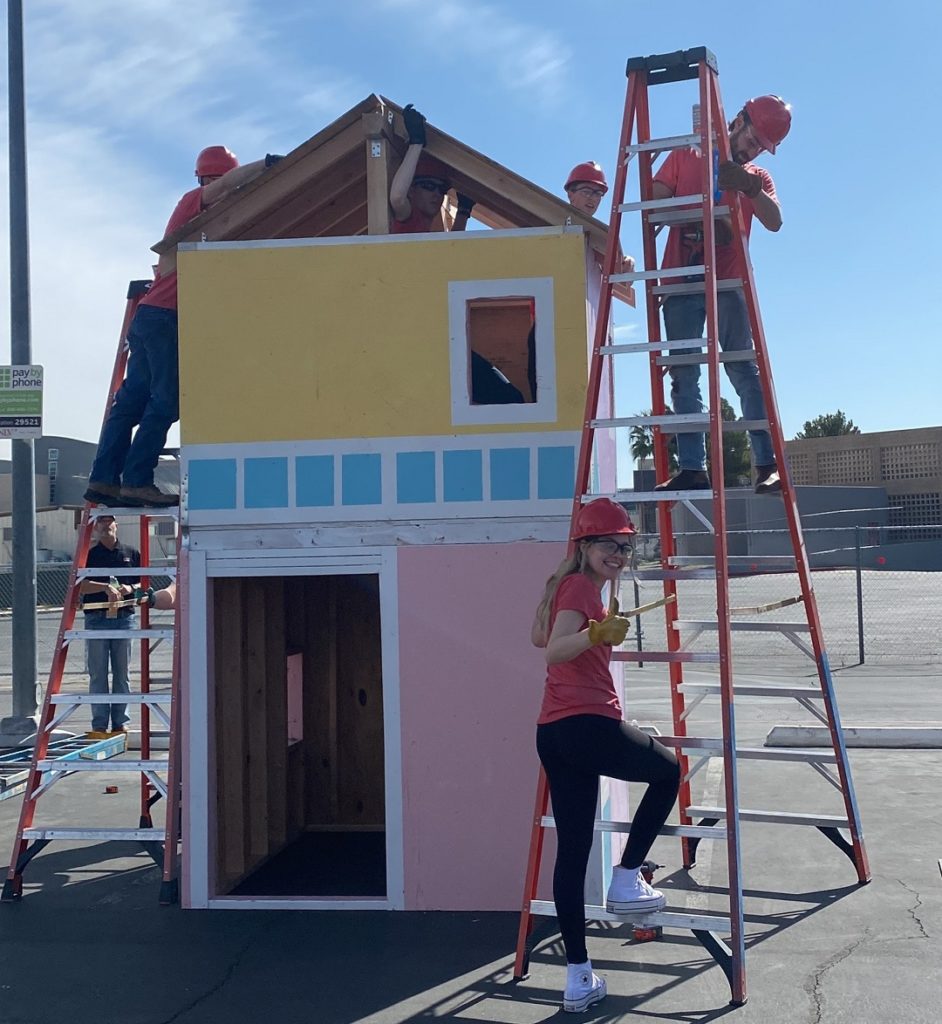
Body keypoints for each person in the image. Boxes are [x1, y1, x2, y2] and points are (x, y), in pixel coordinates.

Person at [530, 498, 680, 1013]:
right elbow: (551, 650)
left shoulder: (570, 587)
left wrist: (590, 631)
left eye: (625, 546)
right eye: (609, 545)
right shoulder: (578, 587)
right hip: (587, 722)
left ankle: (578, 977)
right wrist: (593, 633)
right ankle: (626, 878)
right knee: (668, 772)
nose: (618, 553)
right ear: (585, 546)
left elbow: (536, 636)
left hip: (555, 730)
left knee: (572, 853)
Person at [85, 146, 284, 507]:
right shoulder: (194, 202)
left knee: (130, 403)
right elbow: (224, 187)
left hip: (150, 317)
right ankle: (136, 481)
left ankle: (104, 481)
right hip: (164, 318)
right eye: (224, 182)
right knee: (166, 401)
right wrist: (267, 167)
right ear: (211, 180)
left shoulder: (209, 226)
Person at [651, 95, 792, 494]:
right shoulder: (686, 155)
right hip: (682, 277)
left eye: (761, 147)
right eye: (753, 140)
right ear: (737, 121)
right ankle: (693, 467)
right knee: (684, 373)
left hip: (728, 282)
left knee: (743, 369)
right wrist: (694, 215)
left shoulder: (757, 177)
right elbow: (655, 203)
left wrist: (747, 187)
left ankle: (766, 464)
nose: (753, 150)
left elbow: (775, 221)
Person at [77, 516, 141, 738]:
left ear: (117, 524)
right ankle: (99, 724)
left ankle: (121, 722)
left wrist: (128, 587)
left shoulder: (130, 553)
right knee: (98, 673)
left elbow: (143, 583)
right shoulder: (89, 555)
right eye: (101, 522)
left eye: (109, 521)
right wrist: (105, 587)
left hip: (124, 618)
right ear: (95, 528)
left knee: (122, 673)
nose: (105, 525)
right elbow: (80, 586)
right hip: (96, 618)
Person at [389, 104, 474, 234]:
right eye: (428, 186)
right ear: (411, 190)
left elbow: (452, 247)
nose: (437, 194)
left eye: (442, 190)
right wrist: (416, 143)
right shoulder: (410, 216)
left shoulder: (426, 224)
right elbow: (397, 198)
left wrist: (464, 210)